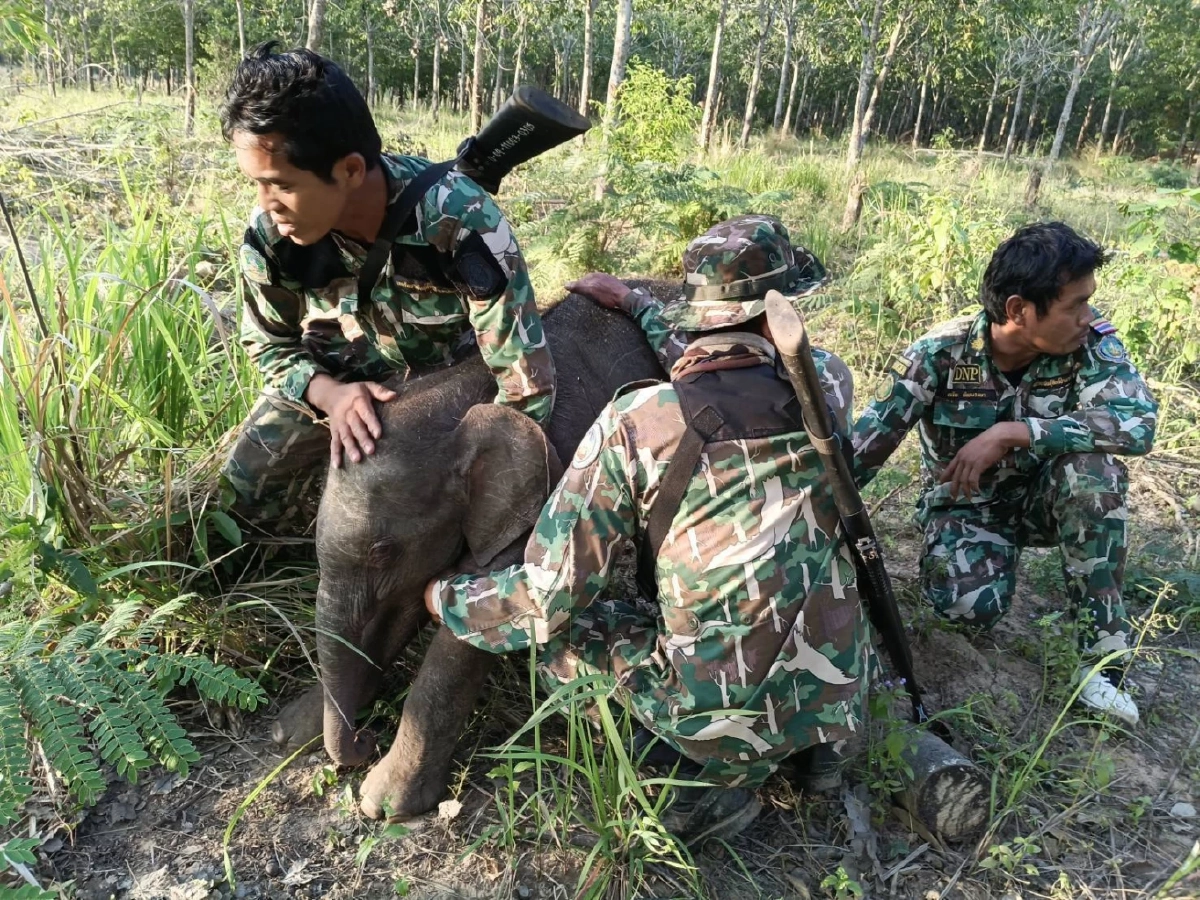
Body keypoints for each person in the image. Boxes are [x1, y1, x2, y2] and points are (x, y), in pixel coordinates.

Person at [425, 215, 872, 844]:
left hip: (720, 721)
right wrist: (638, 305)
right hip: (835, 697)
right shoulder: (831, 382)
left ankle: (699, 786)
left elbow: (543, 601)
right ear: (782, 312)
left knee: (562, 633)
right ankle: (816, 755)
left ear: (698, 314)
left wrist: (446, 599)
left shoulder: (639, 421)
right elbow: (728, 372)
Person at [218, 42, 554, 522]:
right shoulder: (272, 236)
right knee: (239, 500)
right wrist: (328, 394)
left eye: (284, 185)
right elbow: (268, 345)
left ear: (350, 170)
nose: (267, 202)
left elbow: (525, 387)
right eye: (257, 183)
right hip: (343, 369)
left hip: (453, 376)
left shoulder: (461, 220)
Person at [852, 221, 1157, 727]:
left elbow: (1137, 424)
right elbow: (864, 449)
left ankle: (1102, 662)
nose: (1087, 316)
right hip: (967, 509)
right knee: (967, 611)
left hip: (1046, 498)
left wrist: (1016, 432)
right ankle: (983, 564)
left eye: (1088, 301)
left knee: (1094, 474)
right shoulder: (941, 353)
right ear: (1018, 310)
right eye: (1074, 305)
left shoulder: (1089, 344)